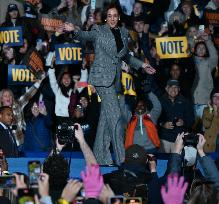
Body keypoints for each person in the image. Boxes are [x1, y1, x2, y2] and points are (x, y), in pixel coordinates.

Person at [63, 4, 156, 165]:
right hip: (101, 79)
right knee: (116, 118)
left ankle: (100, 157)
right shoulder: (99, 31)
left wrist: (142, 65)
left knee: (106, 119)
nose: (112, 18)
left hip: (115, 81)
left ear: (119, 17)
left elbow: (125, 56)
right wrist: (74, 30)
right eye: (110, 15)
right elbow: (85, 36)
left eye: (115, 15)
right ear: (106, 17)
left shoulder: (124, 32)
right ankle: (122, 159)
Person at [159, 79, 194, 153]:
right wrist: (163, 124)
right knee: (162, 162)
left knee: (177, 162)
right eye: (171, 87)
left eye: (176, 87)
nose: (173, 89)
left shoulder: (185, 102)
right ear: (166, 88)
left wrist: (183, 122)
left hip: (179, 139)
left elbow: (191, 120)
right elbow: (155, 119)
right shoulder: (160, 101)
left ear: (179, 89)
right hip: (164, 139)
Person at [202, 88, 219, 152]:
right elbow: (206, 125)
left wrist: (216, 113)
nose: (217, 99)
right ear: (211, 98)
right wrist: (211, 110)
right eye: (215, 96)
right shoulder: (207, 109)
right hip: (209, 143)